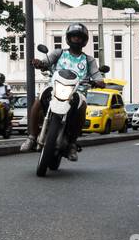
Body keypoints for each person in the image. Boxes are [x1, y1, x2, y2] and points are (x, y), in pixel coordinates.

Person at [21, 23, 104, 158]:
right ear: (68, 38)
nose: (76, 39)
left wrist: (99, 82)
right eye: (73, 36)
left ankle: (72, 144)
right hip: (55, 88)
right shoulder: (58, 53)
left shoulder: (89, 60)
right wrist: (40, 63)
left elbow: (98, 76)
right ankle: (31, 137)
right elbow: (45, 62)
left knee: (82, 107)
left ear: (84, 40)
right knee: (38, 101)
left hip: (77, 92)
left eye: (79, 37)